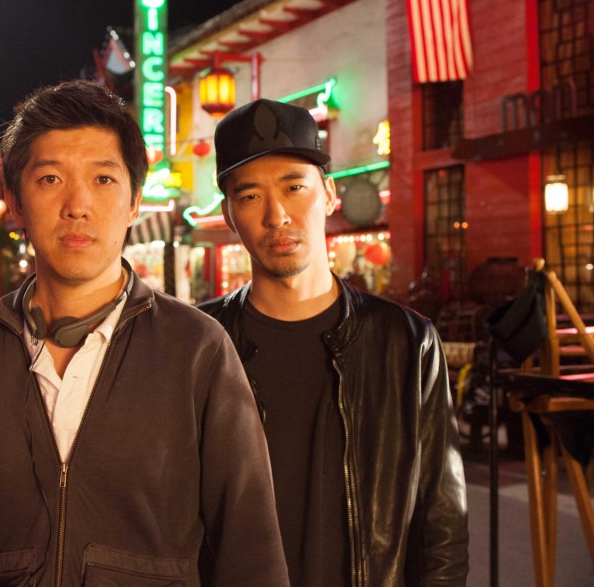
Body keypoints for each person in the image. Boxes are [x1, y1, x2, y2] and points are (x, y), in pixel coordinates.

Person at [0, 80, 288, 586]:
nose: (78, 204)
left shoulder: (196, 348)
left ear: (135, 202)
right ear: (14, 203)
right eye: (49, 179)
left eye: (104, 180)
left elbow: (251, 550)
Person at [198, 99, 468, 587]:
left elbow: (441, 525)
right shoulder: (198, 343)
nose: (277, 215)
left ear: (328, 192)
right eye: (251, 196)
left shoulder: (407, 343)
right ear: (229, 214)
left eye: (294, 187)